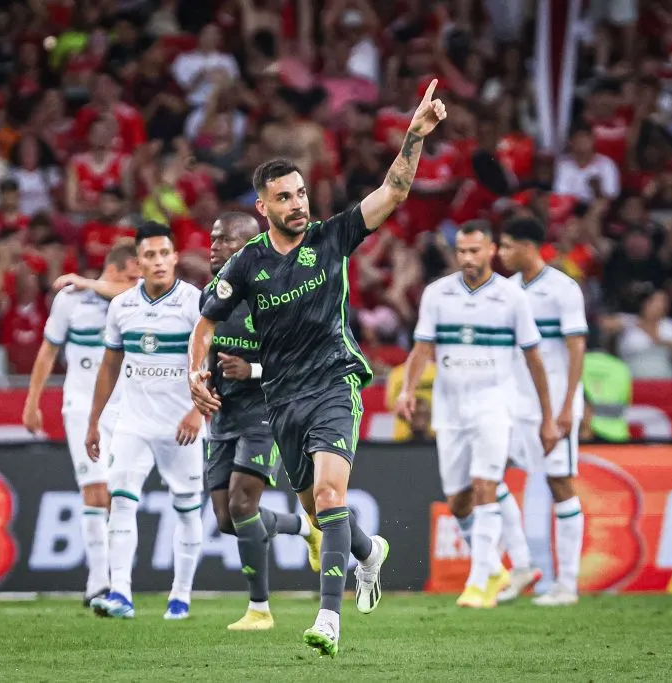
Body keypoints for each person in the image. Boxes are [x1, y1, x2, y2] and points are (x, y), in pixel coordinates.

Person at [189, 80, 448, 657]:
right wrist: (194, 372)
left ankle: (327, 619)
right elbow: (205, 324)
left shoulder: (332, 238)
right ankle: (368, 552)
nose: (299, 204)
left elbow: (395, 190)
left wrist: (413, 137)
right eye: (285, 198)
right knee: (314, 509)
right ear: (264, 208)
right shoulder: (247, 265)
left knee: (331, 498)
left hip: (334, 382)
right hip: (281, 401)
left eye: (302, 193)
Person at [395, 221, 557, 609]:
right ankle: (506, 567)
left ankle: (479, 579)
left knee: (487, 484)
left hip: (494, 404)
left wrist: (548, 416)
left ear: (491, 251)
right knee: (458, 501)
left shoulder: (511, 297)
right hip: (451, 409)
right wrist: (406, 390)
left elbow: (535, 359)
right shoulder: (437, 294)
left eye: (475, 251)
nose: (467, 258)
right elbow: (421, 349)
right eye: (462, 251)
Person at [202, 212, 322, 631]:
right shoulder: (211, 295)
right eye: (212, 239)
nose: (213, 247)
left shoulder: (274, 295)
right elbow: (205, 349)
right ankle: (305, 529)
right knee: (225, 519)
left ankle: (259, 610)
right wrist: (201, 381)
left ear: (250, 248)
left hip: (264, 414)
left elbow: (302, 364)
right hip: (222, 415)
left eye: (224, 241)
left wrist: (251, 372)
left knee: (241, 504)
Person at [85, 221, 206, 621]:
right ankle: (120, 592)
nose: (157, 262)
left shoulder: (194, 303)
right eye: (149, 255)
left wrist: (197, 411)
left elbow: (214, 363)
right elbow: (108, 366)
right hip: (133, 424)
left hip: (182, 429)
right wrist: (93, 421)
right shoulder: (122, 306)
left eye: (163, 254)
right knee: (121, 503)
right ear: (138, 262)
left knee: (188, 509)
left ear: (175, 257)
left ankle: (181, 595)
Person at [21, 241, 139, 607]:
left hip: (123, 409)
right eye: (134, 274)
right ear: (117, 268)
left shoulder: (132, 301)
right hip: (79, 406)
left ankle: (118, 579)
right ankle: (98, 580)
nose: (140, 281)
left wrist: (89, 283)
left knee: (119, 495)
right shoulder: (69, 301)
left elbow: (124, 291)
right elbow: (47, 351)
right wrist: (32, 401)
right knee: (95, 490)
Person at [499, 216, 589, 606]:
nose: (501, 254)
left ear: (528, 246)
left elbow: (576, 349)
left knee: (559, 485)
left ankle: (567, 583)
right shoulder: (505, 291)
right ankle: (521, 566)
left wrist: (567, 408)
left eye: (506, 246)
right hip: (514, 402)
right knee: (486, 475)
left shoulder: (563, 290)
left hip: (554, 401)